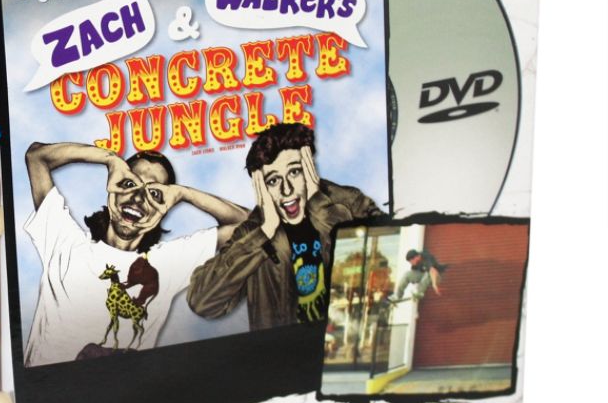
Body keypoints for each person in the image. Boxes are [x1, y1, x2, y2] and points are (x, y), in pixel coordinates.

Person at [22, 142, 248, 365]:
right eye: (129, 183)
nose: (139, 198)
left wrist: (183, 193)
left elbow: (249, 225)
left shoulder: (168, 263)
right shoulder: (64, 242)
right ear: (113, 186)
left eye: (155, 193)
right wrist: (109, 159)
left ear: (164, 208)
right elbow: (36, 156)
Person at [186, 123, 380, 330]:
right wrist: (265, 233)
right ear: (261, 187)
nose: (286, 190)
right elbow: (202, 302)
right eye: (273, 181)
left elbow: (385, 262)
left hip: (347, 339)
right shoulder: (253, 232)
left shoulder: (350, 203)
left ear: (309, 167)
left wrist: (321, 209)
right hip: (286, 349)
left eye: (294, 172)